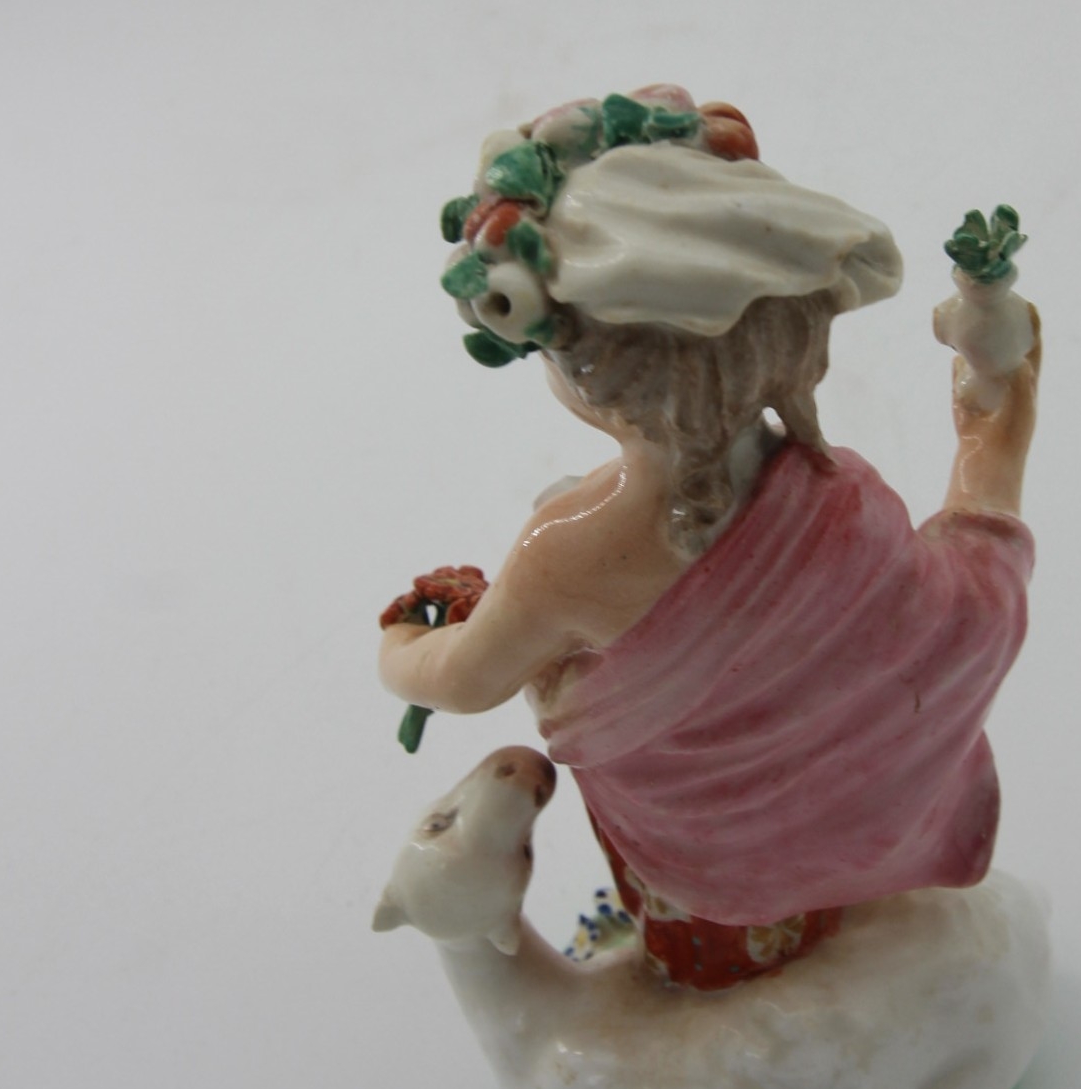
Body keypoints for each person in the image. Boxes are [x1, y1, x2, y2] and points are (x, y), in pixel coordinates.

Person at [379, 88, 1039, 989]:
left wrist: (397, 648)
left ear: (585, 371)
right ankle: (828, 927)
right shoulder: (837, 493)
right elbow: (962, 572)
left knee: (714, 958)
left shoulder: (566, 553)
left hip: (700, 855)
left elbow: (460, 679)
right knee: (813, 919)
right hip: (833, 819)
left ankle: (717, 990)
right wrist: (996, 384)